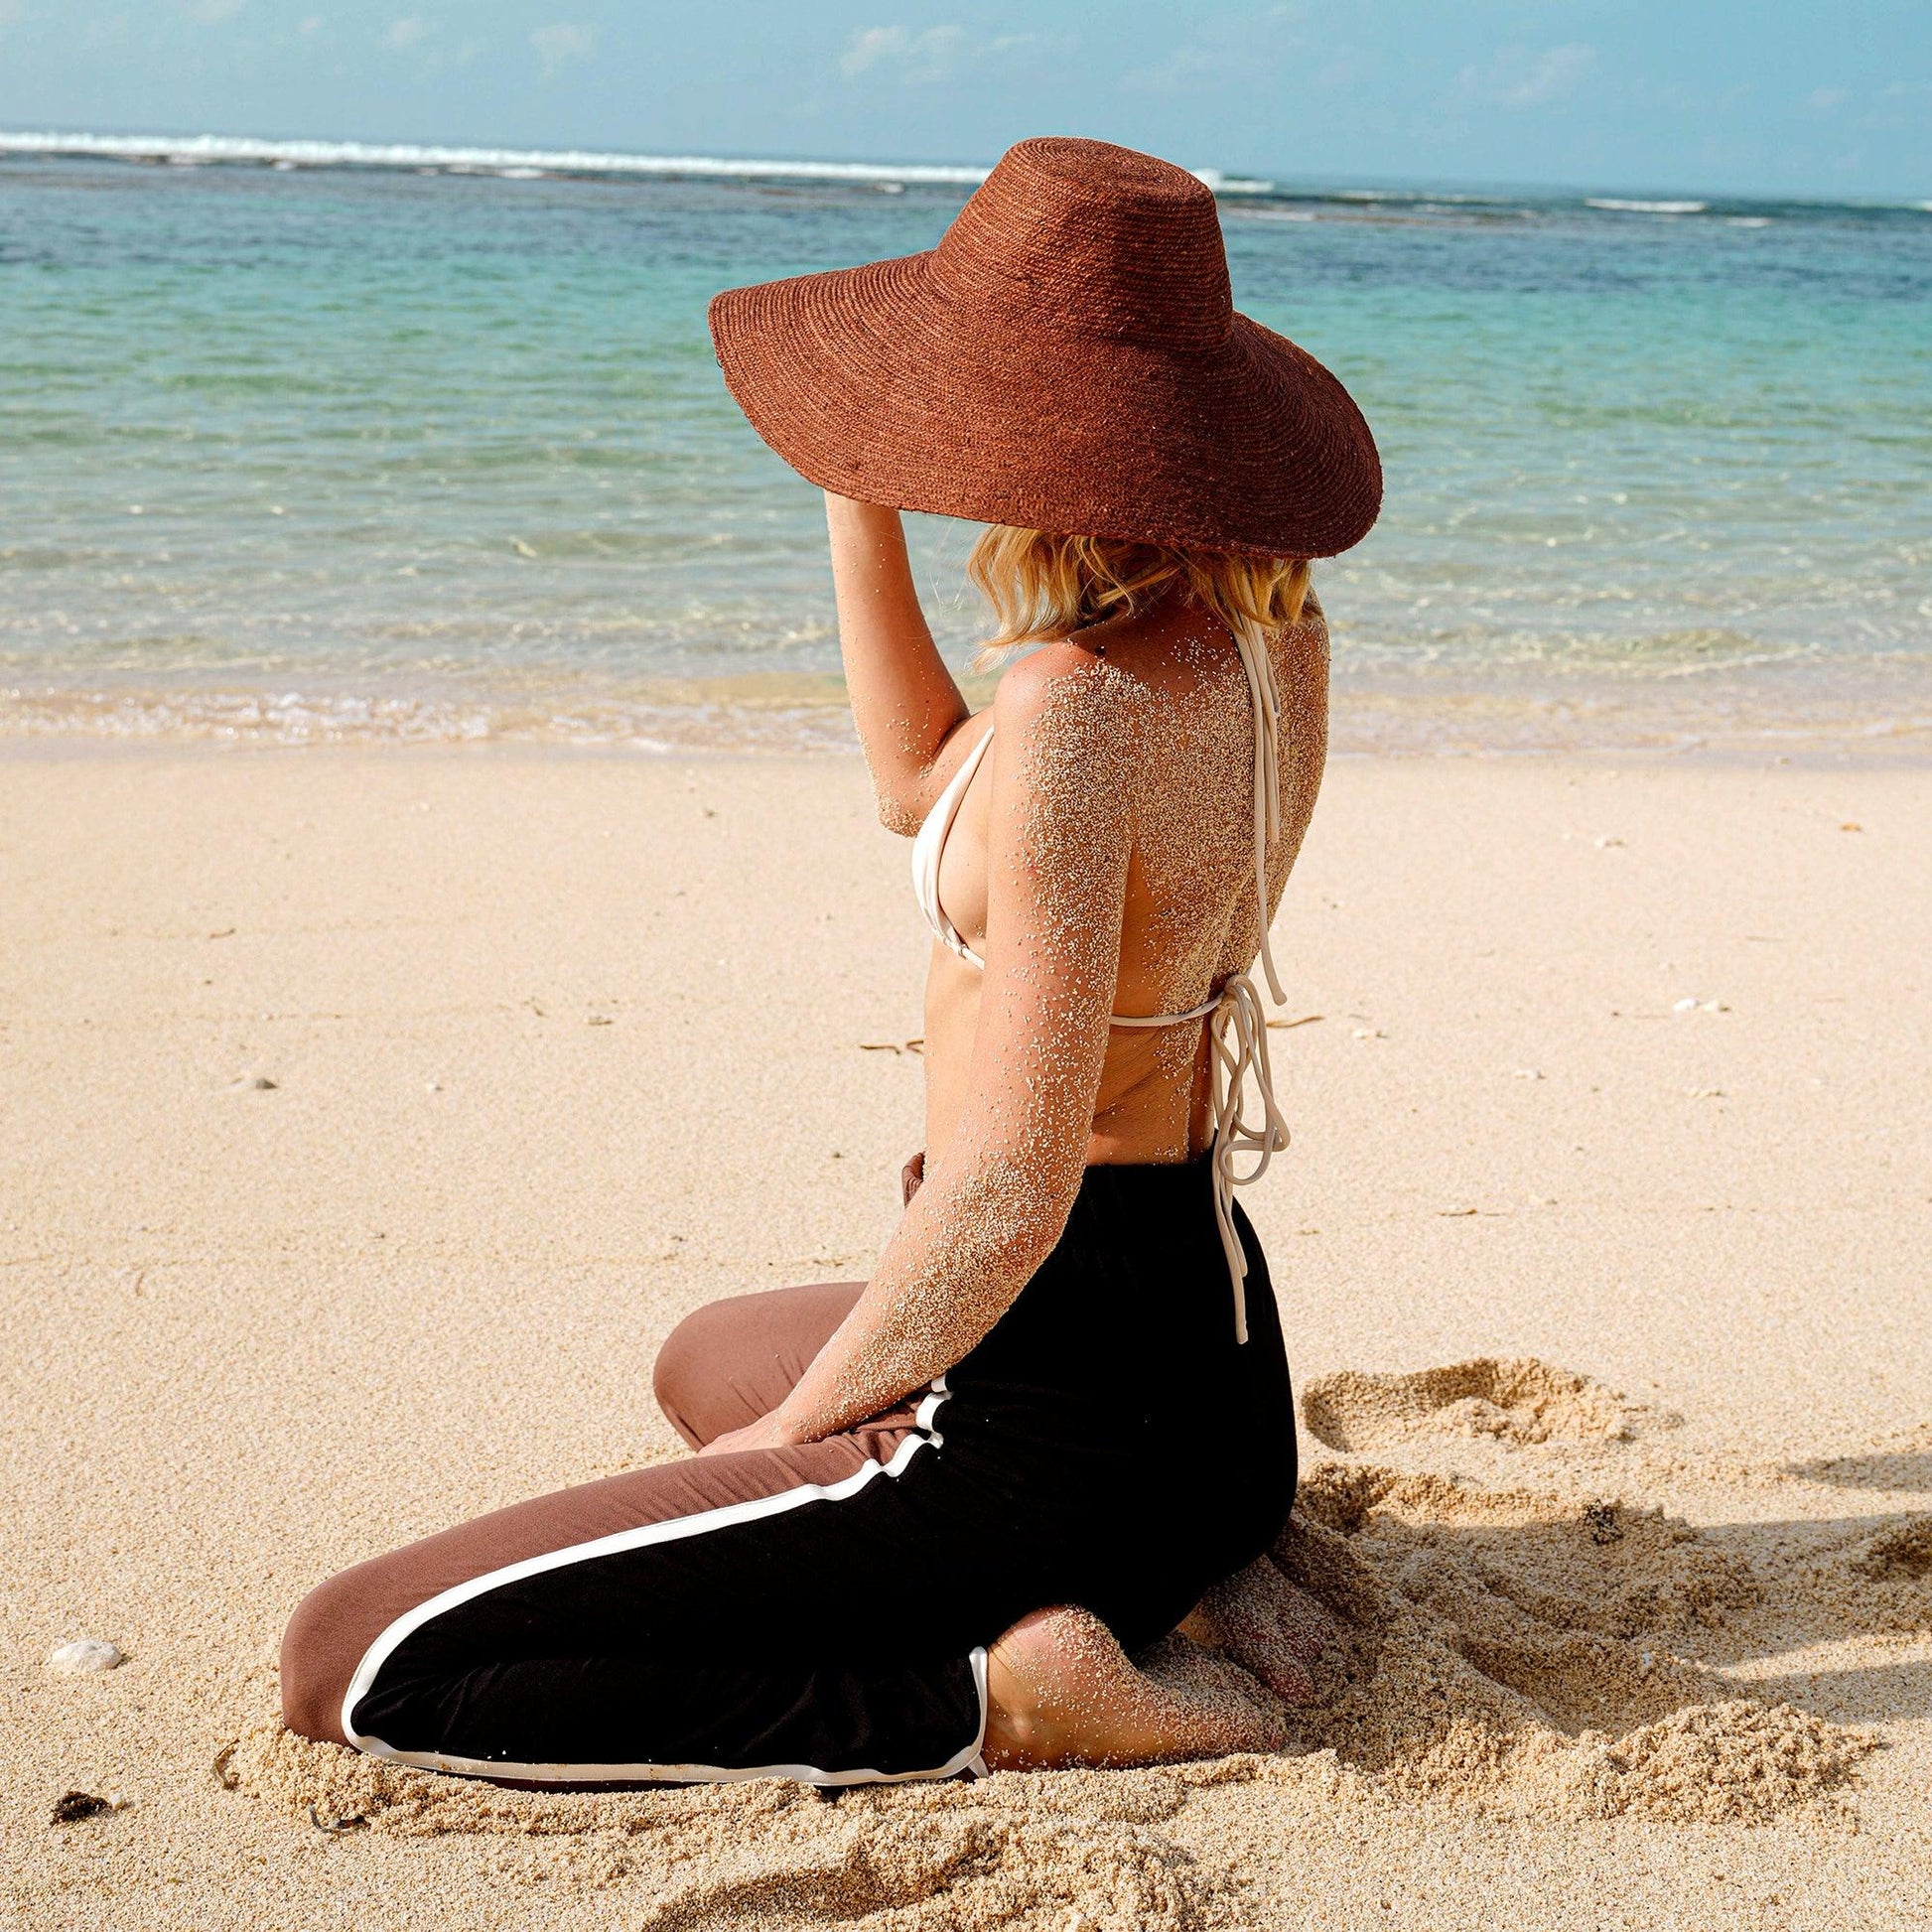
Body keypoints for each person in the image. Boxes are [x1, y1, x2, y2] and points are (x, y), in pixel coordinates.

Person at [279, 136, 1381, 1787]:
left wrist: (789, 1442)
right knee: (705, 1352)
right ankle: (1177, 1572)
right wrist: (853, 491)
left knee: (357, 1658)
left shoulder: (1074, 704)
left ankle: (998, 1703)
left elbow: (1007, 1186)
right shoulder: (1269, 646)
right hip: (1208, 1379)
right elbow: (914, 786)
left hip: (1051, 1389)